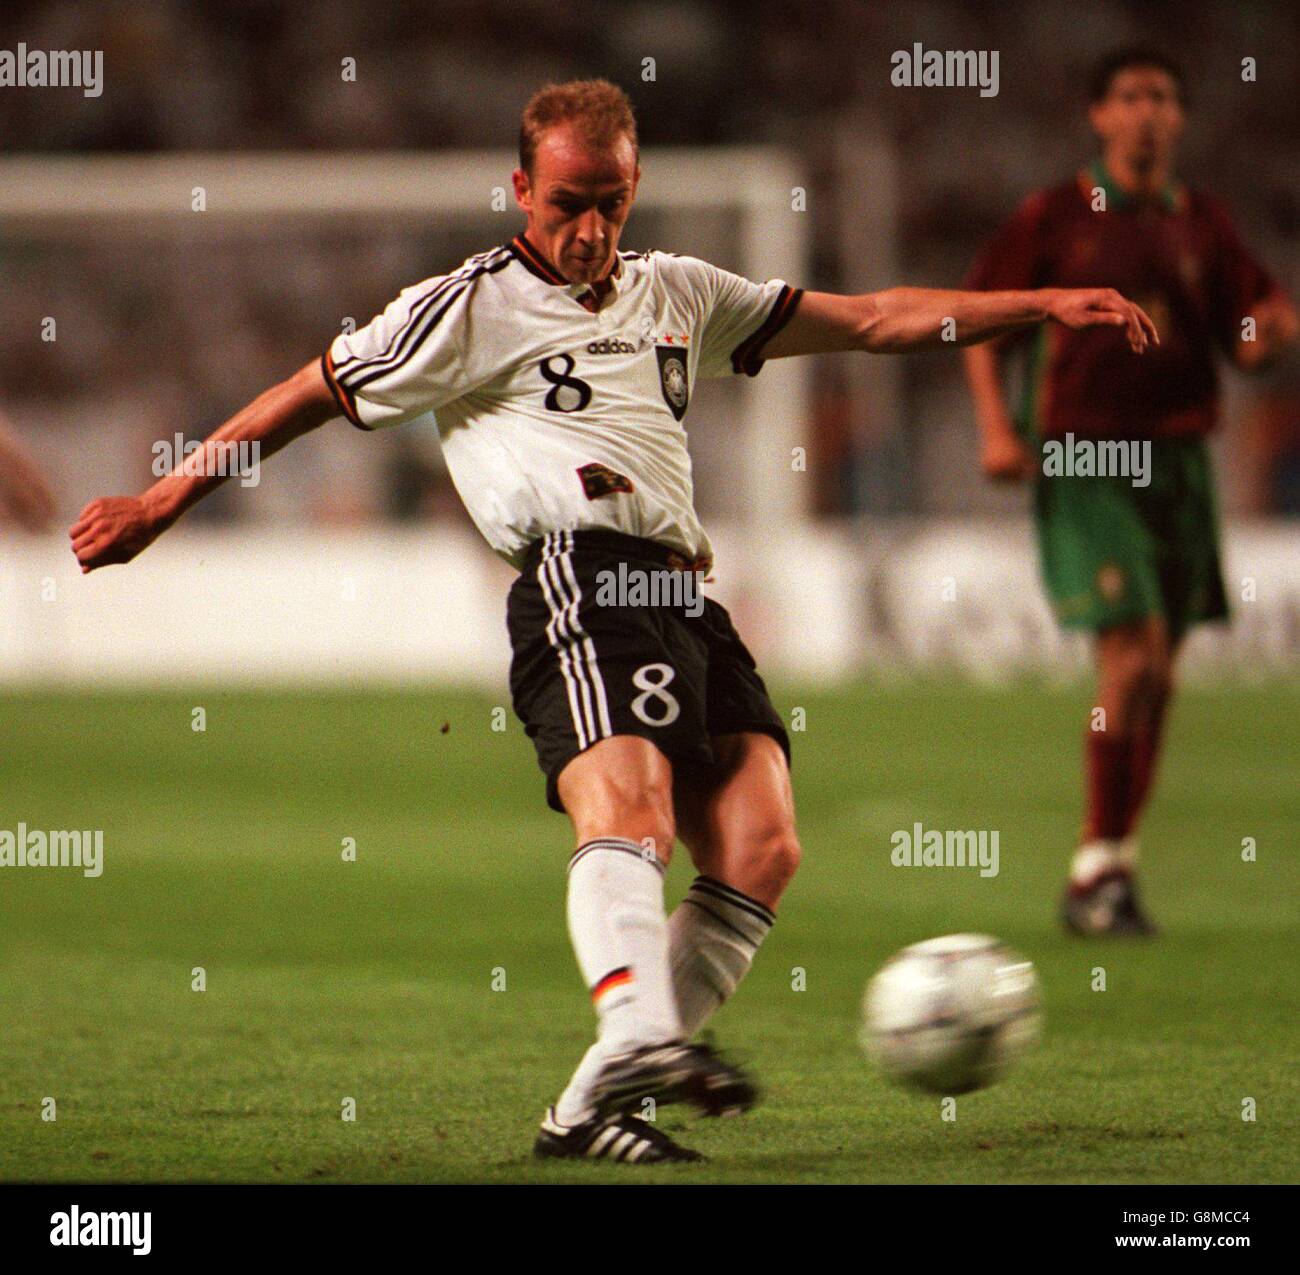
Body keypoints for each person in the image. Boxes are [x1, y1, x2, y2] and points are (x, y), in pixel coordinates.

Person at [72, 79, 1155, 1162]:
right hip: (578, 579)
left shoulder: (677, 289)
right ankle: (641, 1038)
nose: (590, 230)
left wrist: (1040, 306)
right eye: (566, 204)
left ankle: (596, 1101)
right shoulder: (463, 306)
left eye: (613, 203)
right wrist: (160, 503)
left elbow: (871, 320)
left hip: (683, 592)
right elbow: (305, 391)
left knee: (761, 844)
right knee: (628, 805)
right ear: (519, 189)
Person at [962, 48, 1297, 937]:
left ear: (1180, 118)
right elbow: (977, 323)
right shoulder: (1057, 215)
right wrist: (997, 429)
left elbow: (1249, 328)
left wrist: (1270, 332)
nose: (1147, 111)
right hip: (1084, 458)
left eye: (1162, 96)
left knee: (1161, 677)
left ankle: (1108, 863)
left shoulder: (1203, 222)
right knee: (1134, 658)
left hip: (1183, 463)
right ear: (1098, 115)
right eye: (1130, 96)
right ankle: (1097, 861)